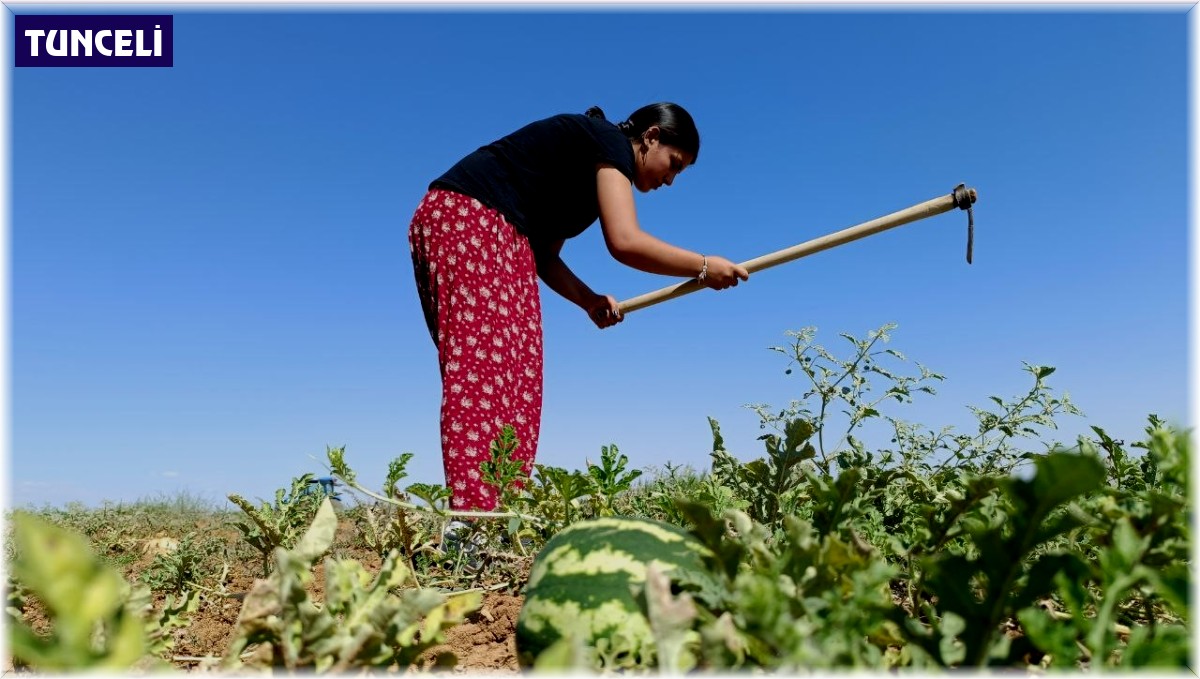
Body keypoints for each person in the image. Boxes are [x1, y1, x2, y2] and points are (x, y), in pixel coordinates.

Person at [408, 102, 749, 511]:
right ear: (651, 137)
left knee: (519, 377)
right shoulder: (607, 143)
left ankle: (501, 513)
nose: (671, 180)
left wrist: (588, 300)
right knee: (483, 372)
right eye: (674, 164)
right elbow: (624, 241)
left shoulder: (589, 185)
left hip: (507, 238)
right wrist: (704, 267)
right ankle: (471, 517)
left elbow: (545, 257)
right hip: (471, 219)